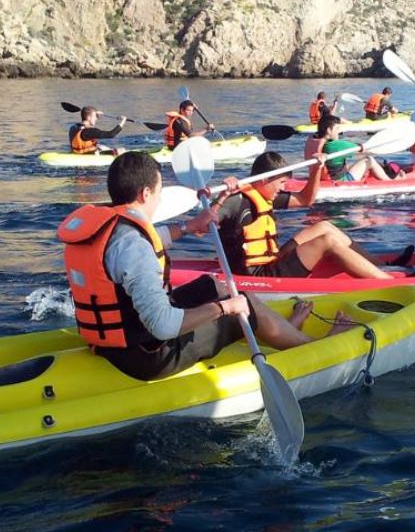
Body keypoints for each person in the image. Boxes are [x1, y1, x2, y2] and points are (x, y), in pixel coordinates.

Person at [56, 151, 342, 382]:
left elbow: (144, 247)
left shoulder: (112, 227)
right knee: (240, 304)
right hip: (146, 356)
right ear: (145, 194)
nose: (159, 198)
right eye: (158, 192)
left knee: (214, 285)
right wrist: (226, 309)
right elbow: (164, 325)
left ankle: (280, 331)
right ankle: (310, 346)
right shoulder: (132, 244)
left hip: (118, 339)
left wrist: (189, 227)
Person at [217, 150, 413, 279]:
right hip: (256, 275)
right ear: (266, 179)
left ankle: (383, 267)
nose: (283, 188)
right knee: (326, 241)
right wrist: (222, 195)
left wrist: (316, 170)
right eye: (281, 184)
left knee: (325, 227)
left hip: (271, 261)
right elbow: (204, 224)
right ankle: (387, 281)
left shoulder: (264, 196)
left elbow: (305, 200)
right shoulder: (235, 201)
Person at [319, 115, 403, 182]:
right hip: (343, 181)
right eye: (337, 128)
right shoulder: (337, 145)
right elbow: (363, 149)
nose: (339, 131)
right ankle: (389, 181)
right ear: (329, 130)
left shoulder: (316, 142)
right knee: (369, 160)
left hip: (328, 177)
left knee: (350, 164)